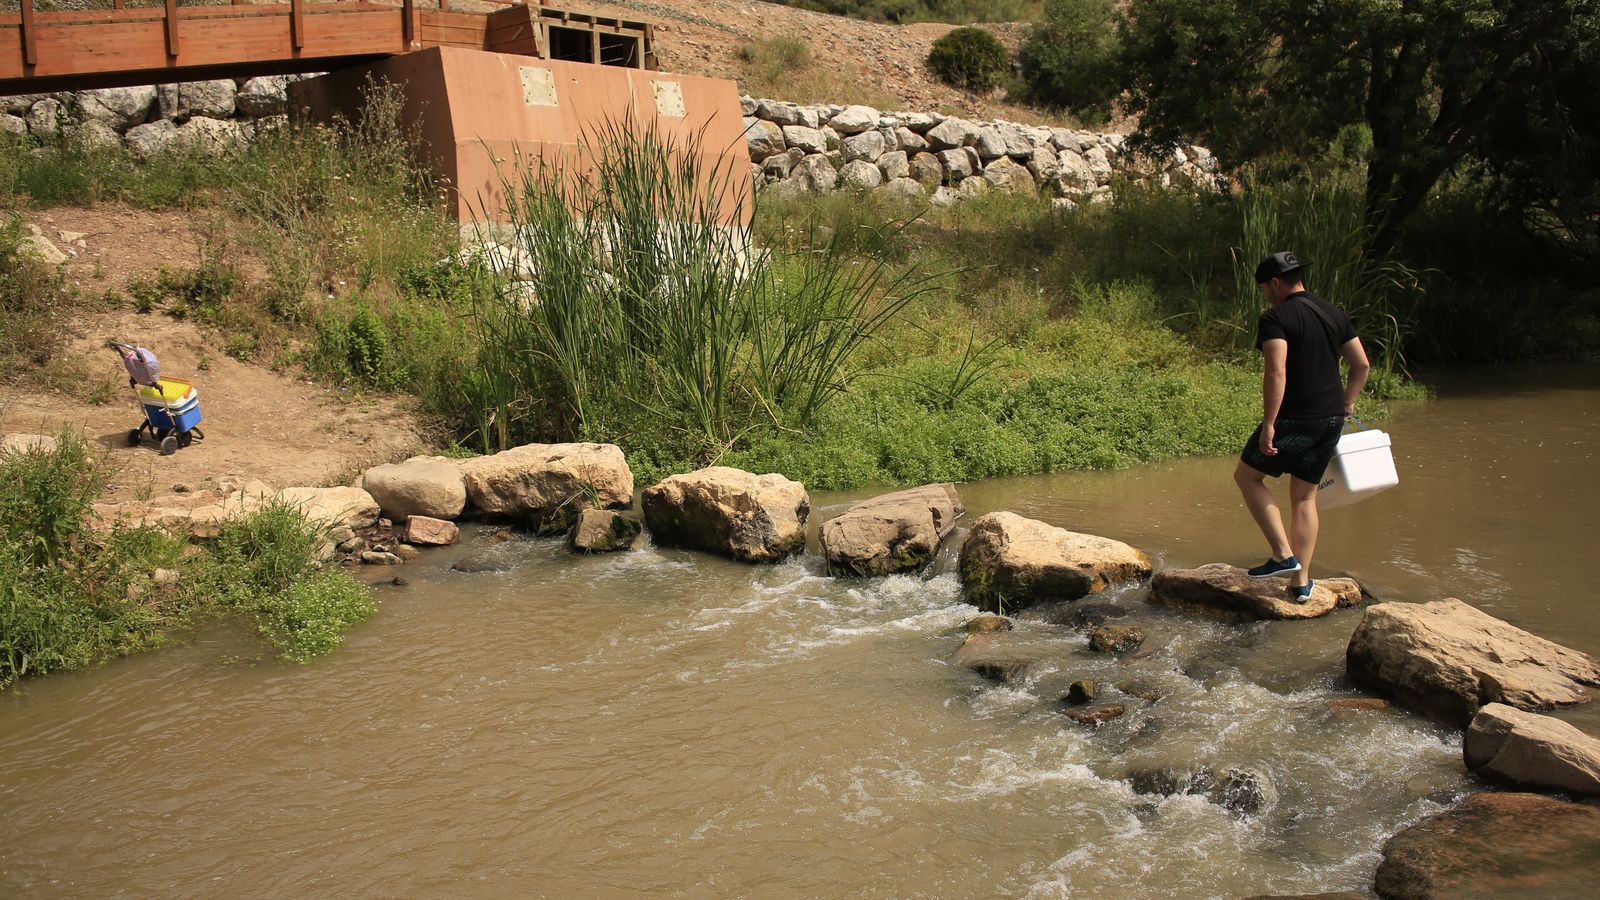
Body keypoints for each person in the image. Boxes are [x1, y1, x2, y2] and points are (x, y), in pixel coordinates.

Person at [1234, 251, 1371, 602]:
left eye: (1264, 289)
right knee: (1305, 496)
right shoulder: (1333, 312)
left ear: (1275, 283)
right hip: (1331, 419)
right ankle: (1301, 583)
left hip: (1295, 418)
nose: (1265, 295)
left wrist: (1269, 423)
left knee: (1247, 477)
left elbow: (1276, 371)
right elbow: (1362, 365)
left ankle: (1283, 554)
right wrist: (1348, 403)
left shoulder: (1275, 318)